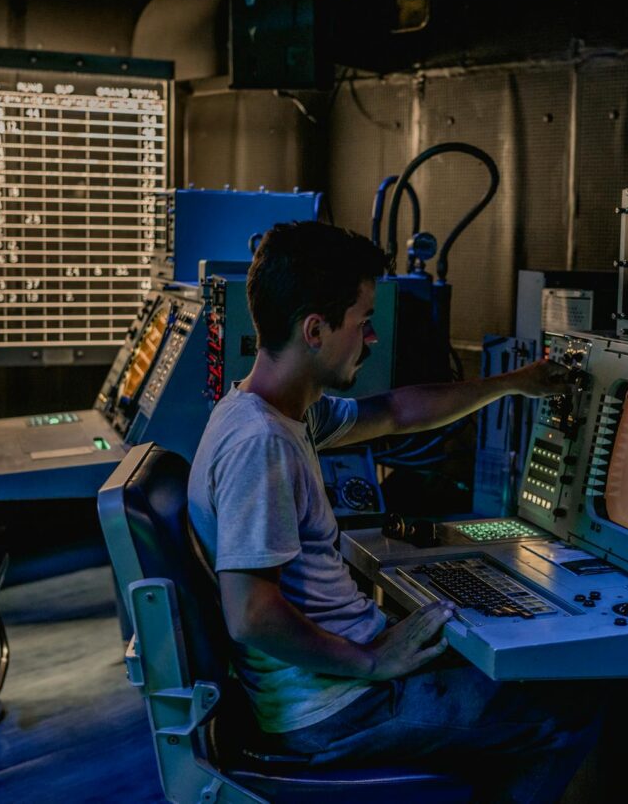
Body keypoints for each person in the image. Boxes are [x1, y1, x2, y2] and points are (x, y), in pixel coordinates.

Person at [188, 221, 600, 803]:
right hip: (335, 708)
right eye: (362, 321)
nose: (372, 338)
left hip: (338, 687)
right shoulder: (262, 445)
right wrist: (370, 661)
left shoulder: (270, 411)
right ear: (315, 330)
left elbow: (398, 412)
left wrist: (514, 383)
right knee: (571, 707)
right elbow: (251, 614)